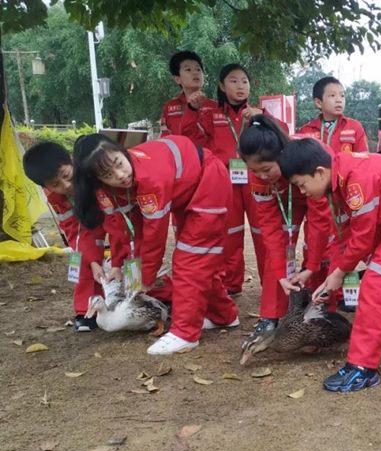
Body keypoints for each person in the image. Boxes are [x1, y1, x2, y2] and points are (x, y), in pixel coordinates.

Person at [279, 138, 381, 393]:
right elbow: (343, 237)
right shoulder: (337, 181)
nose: (303, 192)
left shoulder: (355, 181)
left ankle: (362, 368)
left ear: (318, 172)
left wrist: (340, 272)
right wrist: (331, 276)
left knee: (375, 286)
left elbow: (361, 239)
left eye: (301, 185)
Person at [73, 134, 239, 355]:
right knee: (196, 260)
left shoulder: (150, 177)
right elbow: (125, 227)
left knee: (191, 259)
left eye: (119, 164)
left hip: (208, 183)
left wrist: (147, 277)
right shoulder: (108, 190)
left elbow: (154, 235)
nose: (120, 176)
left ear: (123, 152)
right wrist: (118, 263)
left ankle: (185, 334)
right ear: (96, 180)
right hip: (186, 190)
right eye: (108, 174)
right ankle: (224, 316)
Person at [238, 115, 330, 340]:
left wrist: (311, 265)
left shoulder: (305, 161)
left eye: (266, 169)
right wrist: (281, 274)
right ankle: (270, 317)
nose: (261, 176)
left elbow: (320, 221)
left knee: (322, 247)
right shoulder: (260, 179)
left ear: (281, 155)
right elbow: (270, 228)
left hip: (313, 189)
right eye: (255, 171)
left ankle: (321, 311)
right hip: (287, 200)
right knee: (277, 251)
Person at [183, 63, 270, 295]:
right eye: (233, 80)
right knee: (229, 233)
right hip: (225, 182)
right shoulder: (210, 114)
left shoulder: (258, 114)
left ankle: (270, 284)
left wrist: (265, 117)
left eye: (244, 80)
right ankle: (231, 285)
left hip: (256, 180)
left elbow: (280, 137)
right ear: (222, 85)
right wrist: (191, 111)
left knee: (264, 233)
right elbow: (190, 139)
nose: (240, 85)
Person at [298, 76, 370, 297]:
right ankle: (316, 288)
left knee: (343, 244)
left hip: (342, 197)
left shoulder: (354, 128)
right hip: (316, 197)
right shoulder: (306, 130)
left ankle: (341, 294)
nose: (339, 100)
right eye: (332, 95)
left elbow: (364, 161)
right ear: (318, 102)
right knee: (315, 242)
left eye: (342, 95)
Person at [23, 142, 102, 331]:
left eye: (67, 176)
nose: (66, 185)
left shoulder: (92, 169)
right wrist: (90, 258)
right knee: (79, 256)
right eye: (55, 184)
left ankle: (160, 295)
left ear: (72, 161)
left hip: (112, 212)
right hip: (86, 223)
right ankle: (86, 310)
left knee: (131, 250)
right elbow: (71, 226)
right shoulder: (54, 195)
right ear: (45, 187)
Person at [159, 51, 217, 142]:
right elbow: (165, 138)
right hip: (179, 154)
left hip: (207, 155)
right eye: (188, 70)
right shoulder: (170, 107)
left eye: (198, 69)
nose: (195, 73)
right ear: (177, 79)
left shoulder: (214, 106)